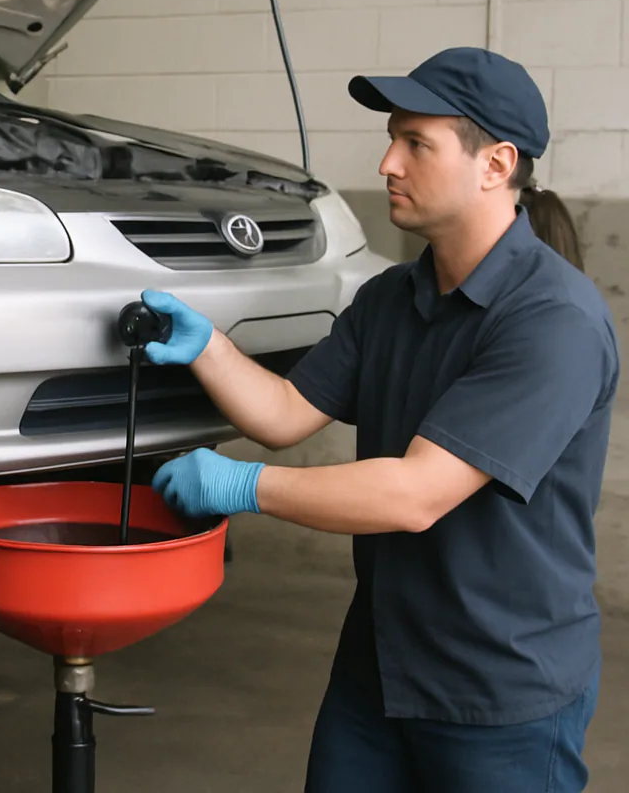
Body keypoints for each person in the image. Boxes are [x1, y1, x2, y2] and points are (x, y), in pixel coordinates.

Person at [141, 47, 620, 793]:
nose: (387, 162)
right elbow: (285, 413)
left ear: (495, 164)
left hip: (500, 690)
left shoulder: (552, 321)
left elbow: (414, 496)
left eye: (415, 143)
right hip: (381, 665)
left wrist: (243, 486)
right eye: (392, 137)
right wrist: (208, 347)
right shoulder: (393, 297)